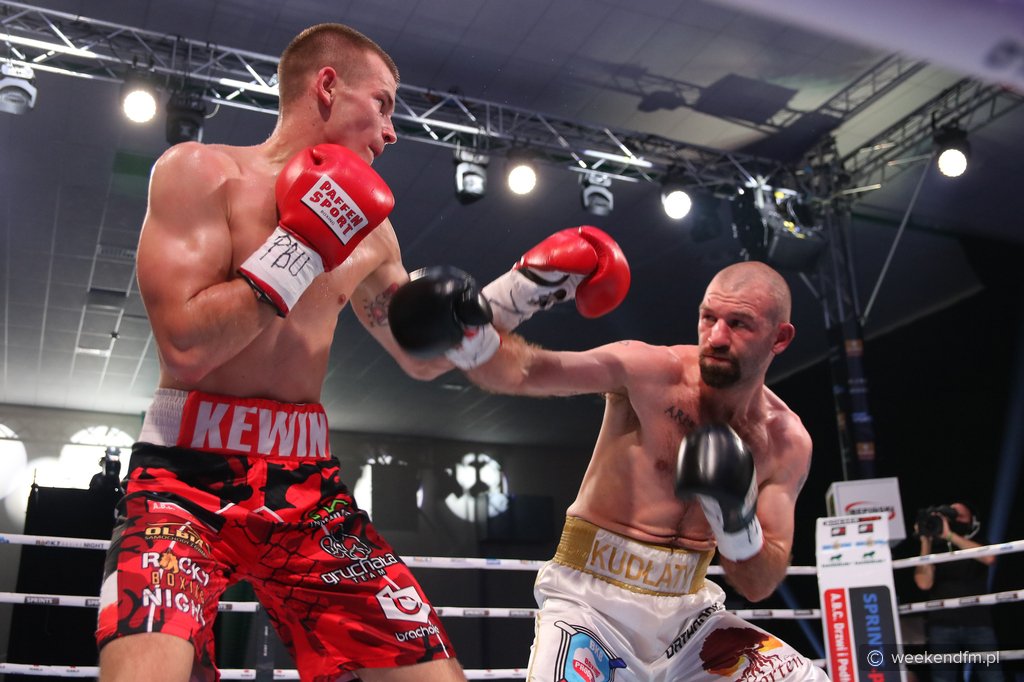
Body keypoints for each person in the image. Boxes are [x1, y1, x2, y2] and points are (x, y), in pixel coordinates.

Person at [94, 23, 480, 682]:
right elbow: (186, 347)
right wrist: (301, 245)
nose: (392, 132)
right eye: (383, 104)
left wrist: (518, 295)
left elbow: (422, 355)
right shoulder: (201, 171)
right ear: (327, 86)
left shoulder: (373, 229)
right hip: (182, 481)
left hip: (308, 490)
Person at [403, 259, 829, 680]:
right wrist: (471, 333)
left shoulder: (786, 442)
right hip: (591, 607)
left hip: (690, 620)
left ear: (780, 337)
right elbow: (523, 371)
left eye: (738, 324)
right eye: (708, 317)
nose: (716, 336)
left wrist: (737, 520)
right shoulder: (651, 371)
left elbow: (759, 583)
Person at [913, 501, 1004, 682]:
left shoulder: (978, 542)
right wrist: (926, 541)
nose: (955, 519)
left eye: (960, 515)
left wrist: (950, 535)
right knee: (943, 678)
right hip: (942, 625)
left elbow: (990, 558)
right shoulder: (935, 549)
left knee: (992, 676)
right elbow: (924, 583)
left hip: (978, 623)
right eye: (951, 515)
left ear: (972, 521)